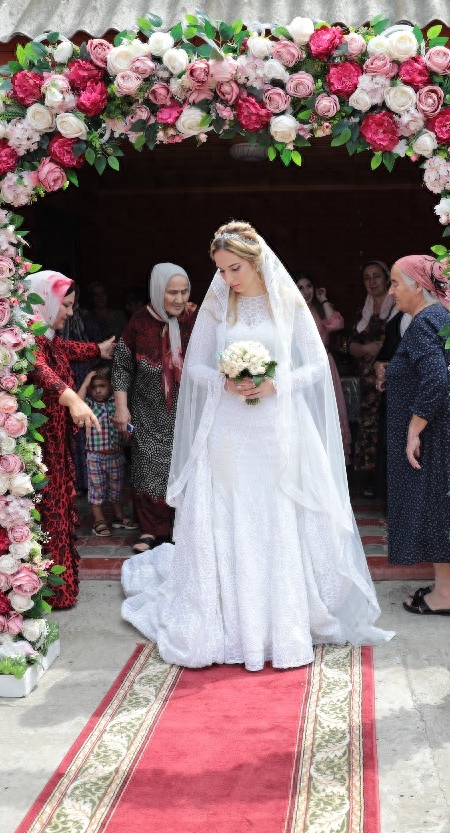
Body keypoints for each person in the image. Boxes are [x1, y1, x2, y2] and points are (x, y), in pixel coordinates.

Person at [120, 221, 391, 671]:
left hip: (278, 426)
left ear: (256, 260)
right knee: (231, 512)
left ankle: (281, 621)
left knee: (275, 511)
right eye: (222, 271)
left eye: (234, 268)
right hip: (227, 429)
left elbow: (317, 368)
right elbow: (194, 369)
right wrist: (225, 381)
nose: (227, 279)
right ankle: (231, 618)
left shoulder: (286, 301)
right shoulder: (216, 306)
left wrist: (275, 384)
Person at [28, 271, 116, 609]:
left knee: (61, 517)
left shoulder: (50, 338)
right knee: (48, 519)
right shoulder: (27, 340)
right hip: (41, 451)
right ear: (45, 301)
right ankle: (46, 592)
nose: (69, 313)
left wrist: (98, 349)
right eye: (64, 305)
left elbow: (68, 349)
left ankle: (60, 590)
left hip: (60, 449)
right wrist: (72, 397)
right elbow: (38, 368)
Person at [382, 255, 450, 616]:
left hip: (431, 436)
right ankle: (445, 588)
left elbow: (435, 379)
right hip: (438, 431)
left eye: (397, 283)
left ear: (418, 285)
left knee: (432, 508)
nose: (392, 291)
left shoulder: (425, 321)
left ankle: (445, 594)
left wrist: (414, 429)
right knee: (436, 509)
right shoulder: (436, 318)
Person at [112, 263, 198, 552]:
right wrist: (122, 409)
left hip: (188, 412)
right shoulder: (139, 322)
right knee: (148, 468)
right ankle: (150, 529)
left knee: (186, 466)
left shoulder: (197, 320)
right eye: (172, 292)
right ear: (158, 290)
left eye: (184, 292)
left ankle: (181, 526)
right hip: (147, 412)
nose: (179, 298)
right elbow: (122, 367)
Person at [347, 261, 395, 494]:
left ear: (386, 278)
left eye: (377, 276)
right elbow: (351, 345)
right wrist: (367, 350)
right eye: (367, 277)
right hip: (366, 379)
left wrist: (382, 350)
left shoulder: (396, 306)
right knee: (368, 427)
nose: (372, 281)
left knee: (386, 425)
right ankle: (368, 481)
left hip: (388, 377)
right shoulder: (363, 311)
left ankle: (386, 481)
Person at [295, 270, 351, 460]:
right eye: (300, 287)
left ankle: (331, 458)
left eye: (309, 286)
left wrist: (323, 299)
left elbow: (336, 324)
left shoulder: (318, 309)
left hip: (325, 363)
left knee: (327, 408)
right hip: (302, 366)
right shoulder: (291, 311)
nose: (305, 291)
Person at [58, 282, 102, 498]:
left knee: (86, 428)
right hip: (65, 374)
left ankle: (87, 482)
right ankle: (75, 482)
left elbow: (94, 339)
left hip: (84, 371)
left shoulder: (84, 316)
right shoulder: (46, 329)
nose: (68, 310)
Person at [78, 364, 128, 536]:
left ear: (110, 386)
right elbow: (77, 401)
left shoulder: (116, 403)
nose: (97, 391)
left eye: (102, 386)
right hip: (95, 457)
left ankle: (119, 517)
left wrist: (129, 433)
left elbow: (128, 422)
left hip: (116, 455)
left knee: (117, 489)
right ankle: (99, 520)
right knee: (96, 490)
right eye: (94, 387)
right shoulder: (89, 404)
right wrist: (85, 384)